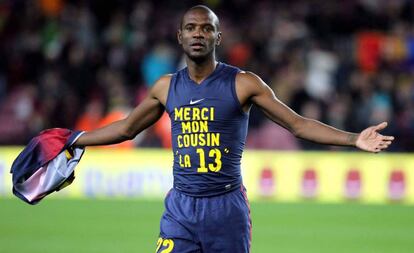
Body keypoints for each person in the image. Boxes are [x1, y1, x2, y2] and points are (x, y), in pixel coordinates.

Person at [74, 5, 394, 253]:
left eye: (206, 28)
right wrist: (74, 140)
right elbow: (127, 129)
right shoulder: (165, 88)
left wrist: (354, 138)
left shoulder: (243, 83)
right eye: (190, 28)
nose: (198, 33)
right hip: (181, 207)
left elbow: (297, 124)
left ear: (218, 37)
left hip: (226, 210)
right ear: (180, 36)